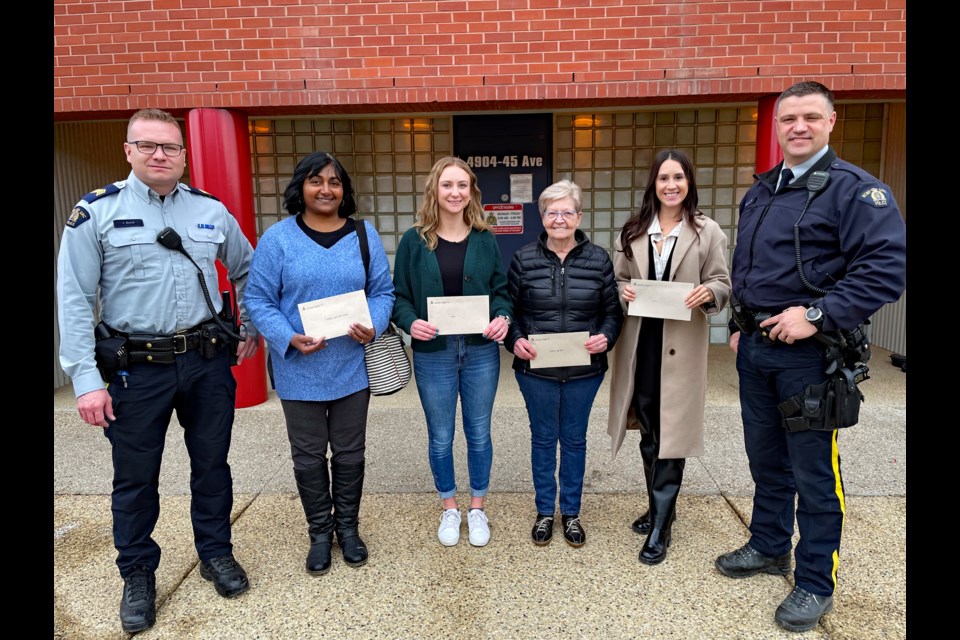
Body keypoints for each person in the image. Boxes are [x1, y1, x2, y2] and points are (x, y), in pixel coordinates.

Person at [56, 108, 260, 634]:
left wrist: (250, 328)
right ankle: (138, 573)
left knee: (212, 466)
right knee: (135, 479)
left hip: (206, 363)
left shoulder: (209, 211)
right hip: (134, 370)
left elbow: (247, 269)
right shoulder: (95, 213)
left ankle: (215, 554)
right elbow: (75, 299)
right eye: (147, 146)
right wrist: (85, 380)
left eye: (170, 147)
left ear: (184, 155)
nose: (159, 155)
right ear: (129, 151)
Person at [714, 81, 906, 632]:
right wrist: (738, 325)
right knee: (766, 460)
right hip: (756, 352)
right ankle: (770, 545)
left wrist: (817, 315)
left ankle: (816, 581)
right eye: (788, 118)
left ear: (830, 122)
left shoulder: (855, 191)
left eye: (809, 117)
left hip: (811, 358)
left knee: (815, 473)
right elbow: (748, 267)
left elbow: (886, 272)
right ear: (777, 127)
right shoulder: (764, 189)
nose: (798, 126)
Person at [244, 152, 395, 576]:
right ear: (301, 187)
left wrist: (374, 322)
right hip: (299, 367)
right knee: (308, 455)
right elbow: (257, 298)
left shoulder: (363, 236)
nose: (325, 189)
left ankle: (347, 530)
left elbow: (384, 291)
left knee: (349, 451)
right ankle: (318, 533)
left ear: (344, 190)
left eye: (334, 182)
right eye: (316, 181)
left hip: (351, 366)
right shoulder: (278, 239)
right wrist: (285, 336)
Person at [607, 149, 732, 566]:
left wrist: (709, 292)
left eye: (678, 177)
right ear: (654, 185)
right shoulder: (634, 230)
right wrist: (623, 291)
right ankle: (661, 508)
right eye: (664, 178)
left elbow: (721, 281)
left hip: (681, 346)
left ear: (689, 183)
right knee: (647, 430)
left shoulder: (707, 231)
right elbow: (621, 279)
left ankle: (660, 527)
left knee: (671, 433)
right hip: (642, 343)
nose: (671, 185)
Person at [392, 156, 512, 548]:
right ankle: (449, 506)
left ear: (471, 191)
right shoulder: (414, 240)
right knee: (441, 436)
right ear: (435, 190)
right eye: (447, 185)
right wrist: (410, 323)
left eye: (463, 185)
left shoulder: (484, 237)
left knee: (479, 433)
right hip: (434, 352)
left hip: (480, 351)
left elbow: (501, 292)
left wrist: (503, 317)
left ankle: (477, 507)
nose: (455, 192)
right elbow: (400, 297)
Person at [504, 180, 622, 548]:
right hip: (535, 369)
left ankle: (571, 513)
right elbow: (511, 310)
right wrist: (515, 340)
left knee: (574, 440)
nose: (559, 219)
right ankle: (544, 512)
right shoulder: (523, 259)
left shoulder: (599, 259)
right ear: (542, 217)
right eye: (552, 212)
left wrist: (607, 337)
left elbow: (612, 312)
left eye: (566, 211)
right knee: (542, 439)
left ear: (579, 216)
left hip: (585, 370)